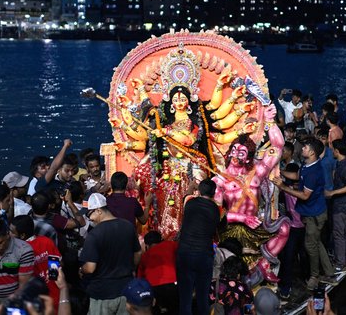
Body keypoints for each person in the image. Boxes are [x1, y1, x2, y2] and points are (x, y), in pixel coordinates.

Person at [115, 60, 255, 239]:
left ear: (188, 101)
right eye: (176, 99)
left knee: (194, 192)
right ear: (171, 102)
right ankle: (159, 234)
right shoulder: (162, 119)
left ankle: (190, 233)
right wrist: (141, 95)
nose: (180, 102)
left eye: (183, 98)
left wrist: (166, 132)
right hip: (167, 164)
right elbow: (147, 115)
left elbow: (190, 139)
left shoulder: (194, 120)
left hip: (191, 163)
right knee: (148, 181)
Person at [213, 103, 289, 284]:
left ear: (248, 157)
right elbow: (217, 213)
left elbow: (278, 146)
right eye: (234, 150)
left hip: (255, 224)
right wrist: (241, 218)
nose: (235, 154)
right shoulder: (220, 179)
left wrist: (270, 121)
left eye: (241, 152)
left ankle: (265, 262)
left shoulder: (257, 171)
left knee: (285, 228)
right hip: (232, 227)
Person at [277, 136, 336, 290]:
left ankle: (314, 276)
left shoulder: (313, 172)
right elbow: (297, 176)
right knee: (316, 242)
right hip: (311, 211)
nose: (301, 148)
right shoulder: (306, 165)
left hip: (314, 214)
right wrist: (281, 172)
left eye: (305, 147)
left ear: (312, 153)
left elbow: (304, 195)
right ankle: (330, 272)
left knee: (310, 246)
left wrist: (283, 187)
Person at [79, 193, 142, 314]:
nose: (89, 219)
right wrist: (130, 268)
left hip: (102, 294)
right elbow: (138, 253)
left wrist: (82, 270)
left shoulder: (94, 234)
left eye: (89, 214)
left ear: (99, 211)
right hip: (125, 290)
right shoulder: (128, 226)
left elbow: (90, 268)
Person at [176, 179, 221, 315]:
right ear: (214, 194)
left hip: (185, 253)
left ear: (199, 191)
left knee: (185, 297)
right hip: (204, 255)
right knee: (202, 297)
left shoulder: (190, 204)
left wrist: (191, 187)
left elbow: (185, 196)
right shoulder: (215, 210)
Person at [10, 215, 62, 312]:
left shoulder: (18, 251)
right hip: (55, 297)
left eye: (12, 232)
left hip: (36, 303)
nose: (9, 234)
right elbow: (55, 272)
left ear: (22, 235)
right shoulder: (46, 241)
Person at [271, 163, 307, 300]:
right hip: (292, 228)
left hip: (303, 228)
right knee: (288, 258)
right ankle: (285, 287)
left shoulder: (303, 191)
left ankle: (306, 278)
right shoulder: (285, 190)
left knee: (303, 255)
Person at [326, 140, 346, 271]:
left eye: (333, 150)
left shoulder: (345, 166)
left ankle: (340, 263)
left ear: (337, 151)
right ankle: (345, 259)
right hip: (341, 204)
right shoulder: (341, 164)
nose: (332, 152)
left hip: (342, 205)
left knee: (339, 233)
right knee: (344, 232)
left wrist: (333, 193)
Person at [137, 230, 179, 314]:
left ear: (147, 245)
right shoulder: (171, 244)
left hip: (153, 288)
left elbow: (140, 278)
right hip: (172, 284)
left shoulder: (145, 256)